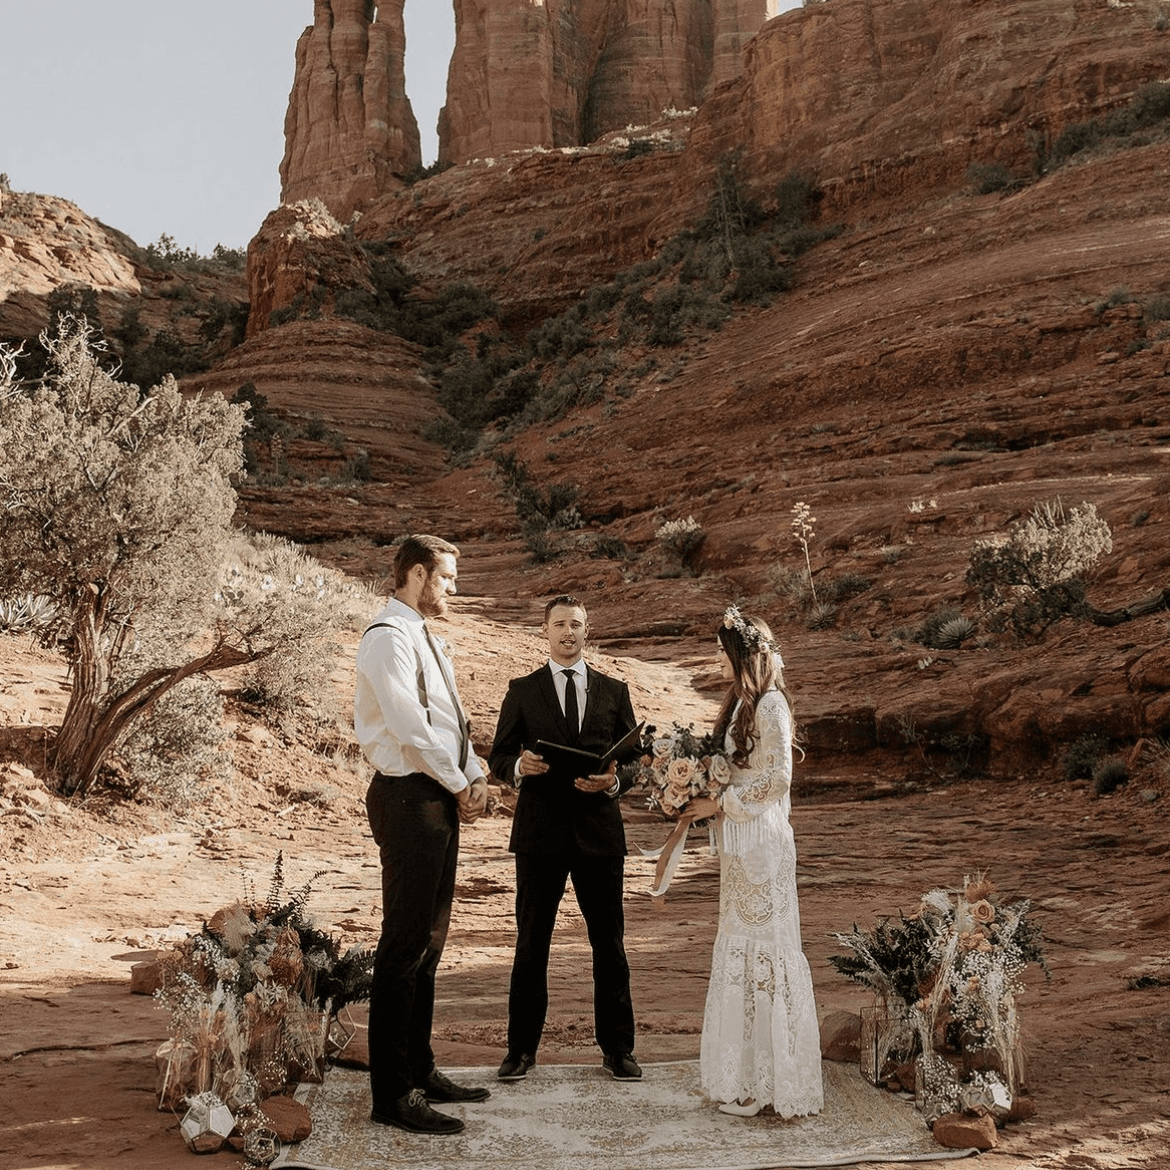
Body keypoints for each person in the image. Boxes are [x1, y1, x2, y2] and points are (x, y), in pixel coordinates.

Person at [354, 534, 491, 1135]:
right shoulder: (386, 639)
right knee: (403, 947)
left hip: (435, 793)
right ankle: (391, 1095)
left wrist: (476, 772)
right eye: (447, 578)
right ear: (415, 574)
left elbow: (450, 716)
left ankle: (419, 1068)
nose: (454, 589)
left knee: (430, 945)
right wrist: (461, 782)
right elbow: (408, 725)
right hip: (409, 798)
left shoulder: (424, 637)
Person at [489, 594, 642, 1083]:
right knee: (532, 943)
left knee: (609, 944)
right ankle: (521, 1051)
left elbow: (635, 759)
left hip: (600, 833)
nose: (568, 632)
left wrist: (615, 782)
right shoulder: (522, 689)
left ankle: (618, 1049)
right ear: (545, 631)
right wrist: (519, 766)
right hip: (540, 835)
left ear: (587, 630)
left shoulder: (615, 691)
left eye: (576, 624)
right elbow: (498, 756)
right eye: (560, 625)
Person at [684, 607, 824, 1119]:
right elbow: (742, 768)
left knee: (765, 948)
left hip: (761, 840)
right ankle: (746, 1075)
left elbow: (780, 778)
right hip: (740, 840)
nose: (717, 659)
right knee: (741, 943)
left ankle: (769, 1083)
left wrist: (722, 803)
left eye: (722, 652)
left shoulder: (770, 706)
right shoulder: (744, 704)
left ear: (744, 656)